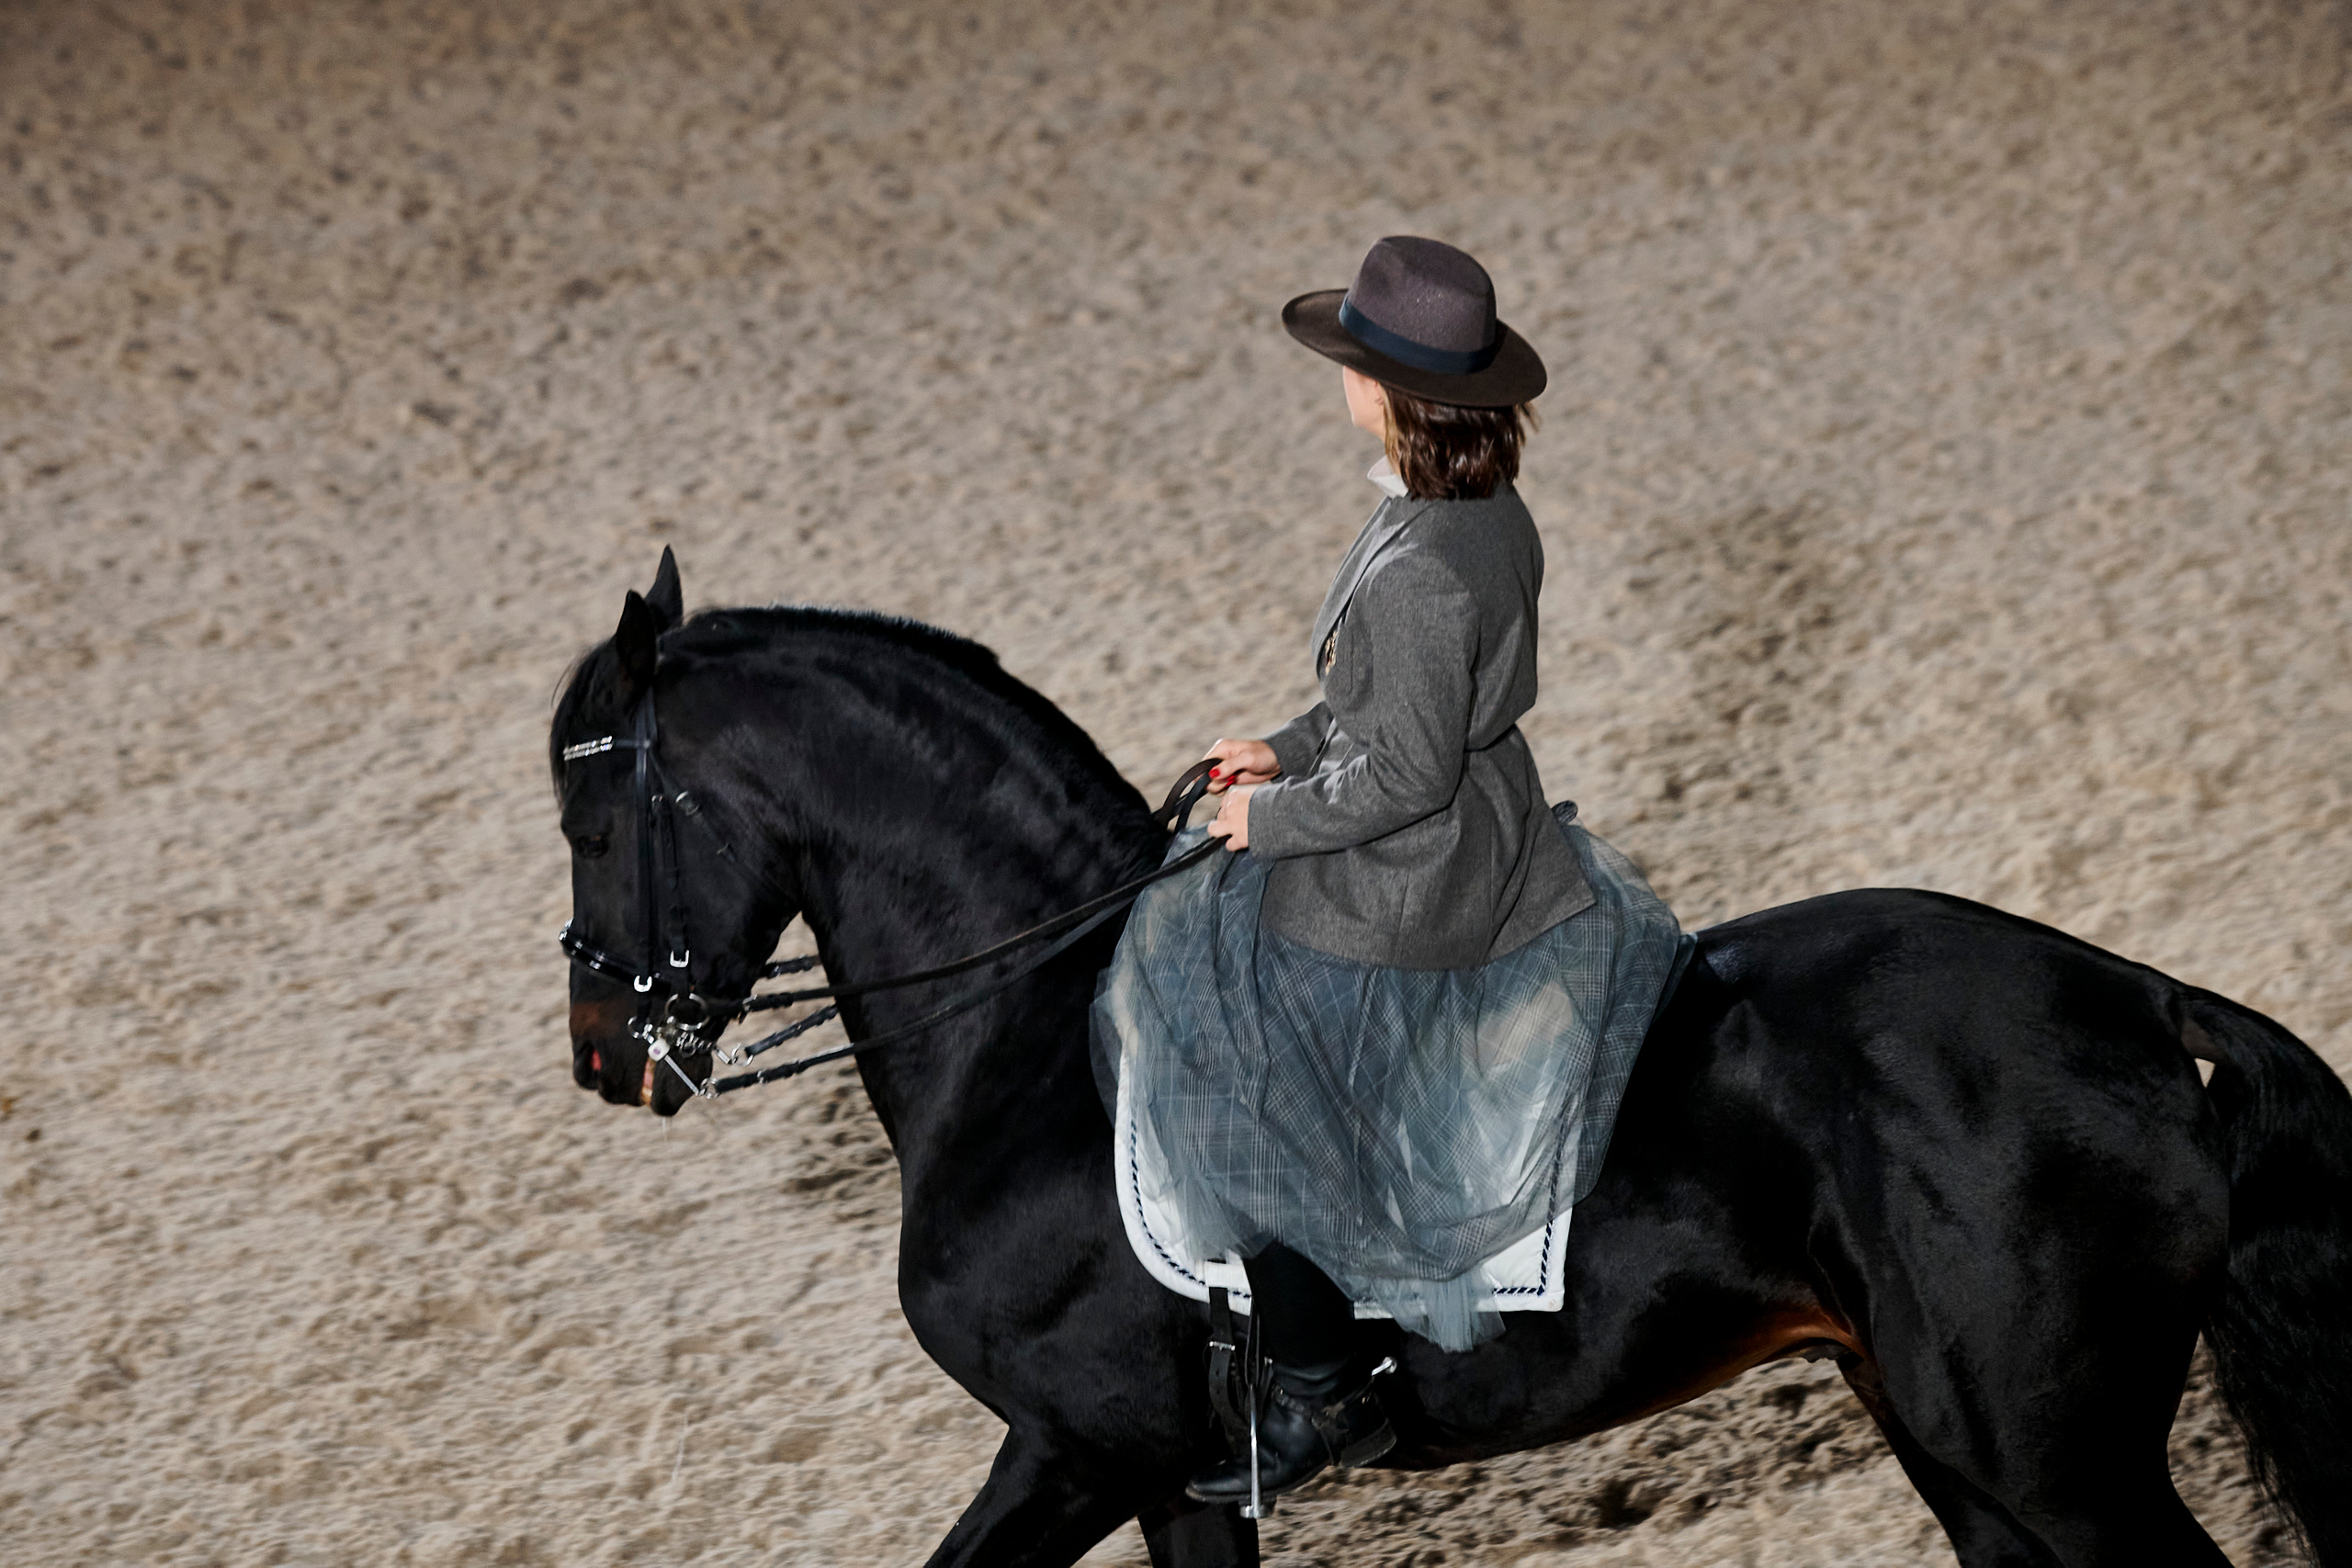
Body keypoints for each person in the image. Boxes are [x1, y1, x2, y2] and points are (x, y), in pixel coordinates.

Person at [1092, 237, 1681, 1507]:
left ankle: (1326, 1394)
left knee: (1240, 1097)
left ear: (1393, 392)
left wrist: (1273, 819)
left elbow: (1405, 775)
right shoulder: (1461, 509)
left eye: (1354, 366)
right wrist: (1286, 745)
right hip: (1462, 803)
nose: (1341, 382)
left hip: (1416, 867)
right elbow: (1393, 711)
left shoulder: (1422, 563)